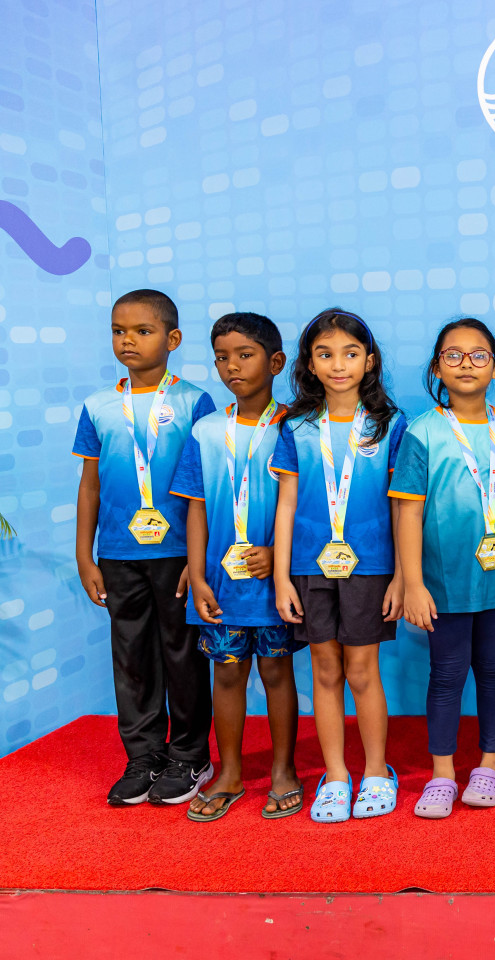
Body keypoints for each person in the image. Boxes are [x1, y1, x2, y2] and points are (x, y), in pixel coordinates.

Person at [74, 289, 217, 807]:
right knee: (131, 656)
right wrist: (85, 555)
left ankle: (190, 756)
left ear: (172, 339)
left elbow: (206, 485)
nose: (128, 340)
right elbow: (89, 484)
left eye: (142, 330)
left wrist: (198, 561)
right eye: (119, 330)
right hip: (117, 553)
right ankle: (143, 756)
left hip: (178, 554)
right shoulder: (97, 406)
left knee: (182, 654)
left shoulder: (195, 401)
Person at [392, 318, 495, 819]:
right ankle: (441, 774)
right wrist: (413, 582)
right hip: (442, 582)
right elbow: (408, 509)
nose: (466, 364)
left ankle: (490, 765)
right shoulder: (422, 432)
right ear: (438, 367)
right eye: (453, 355)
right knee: (447, 674)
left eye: (478, 355)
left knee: (494, 669)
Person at [272, 308, 407, 822]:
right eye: (325, 354)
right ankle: (335, 775)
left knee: (362, 670)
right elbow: (286, 503)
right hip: (310, 566)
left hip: (371, 567)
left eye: (350, 353)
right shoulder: (297, 427)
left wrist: (400, 574)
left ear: (369, 361)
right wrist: (283, 576)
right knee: (324, 669)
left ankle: (376, 770)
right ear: (309, 362)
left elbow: (401, 506)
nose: (338, 364)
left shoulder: (391, 425)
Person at [171, 312, 303, 820]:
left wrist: (280, 558)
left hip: (273, 584)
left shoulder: (297, 426)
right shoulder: (205, 430)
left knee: (276, 670)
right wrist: (199, 573)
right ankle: (228, 771)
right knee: (225, 674)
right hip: (222, 585)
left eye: (244, 355)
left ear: (275, 362)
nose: (231, 367)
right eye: (221, 357)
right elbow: (196, 506)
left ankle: (284, 770)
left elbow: (307, 503)